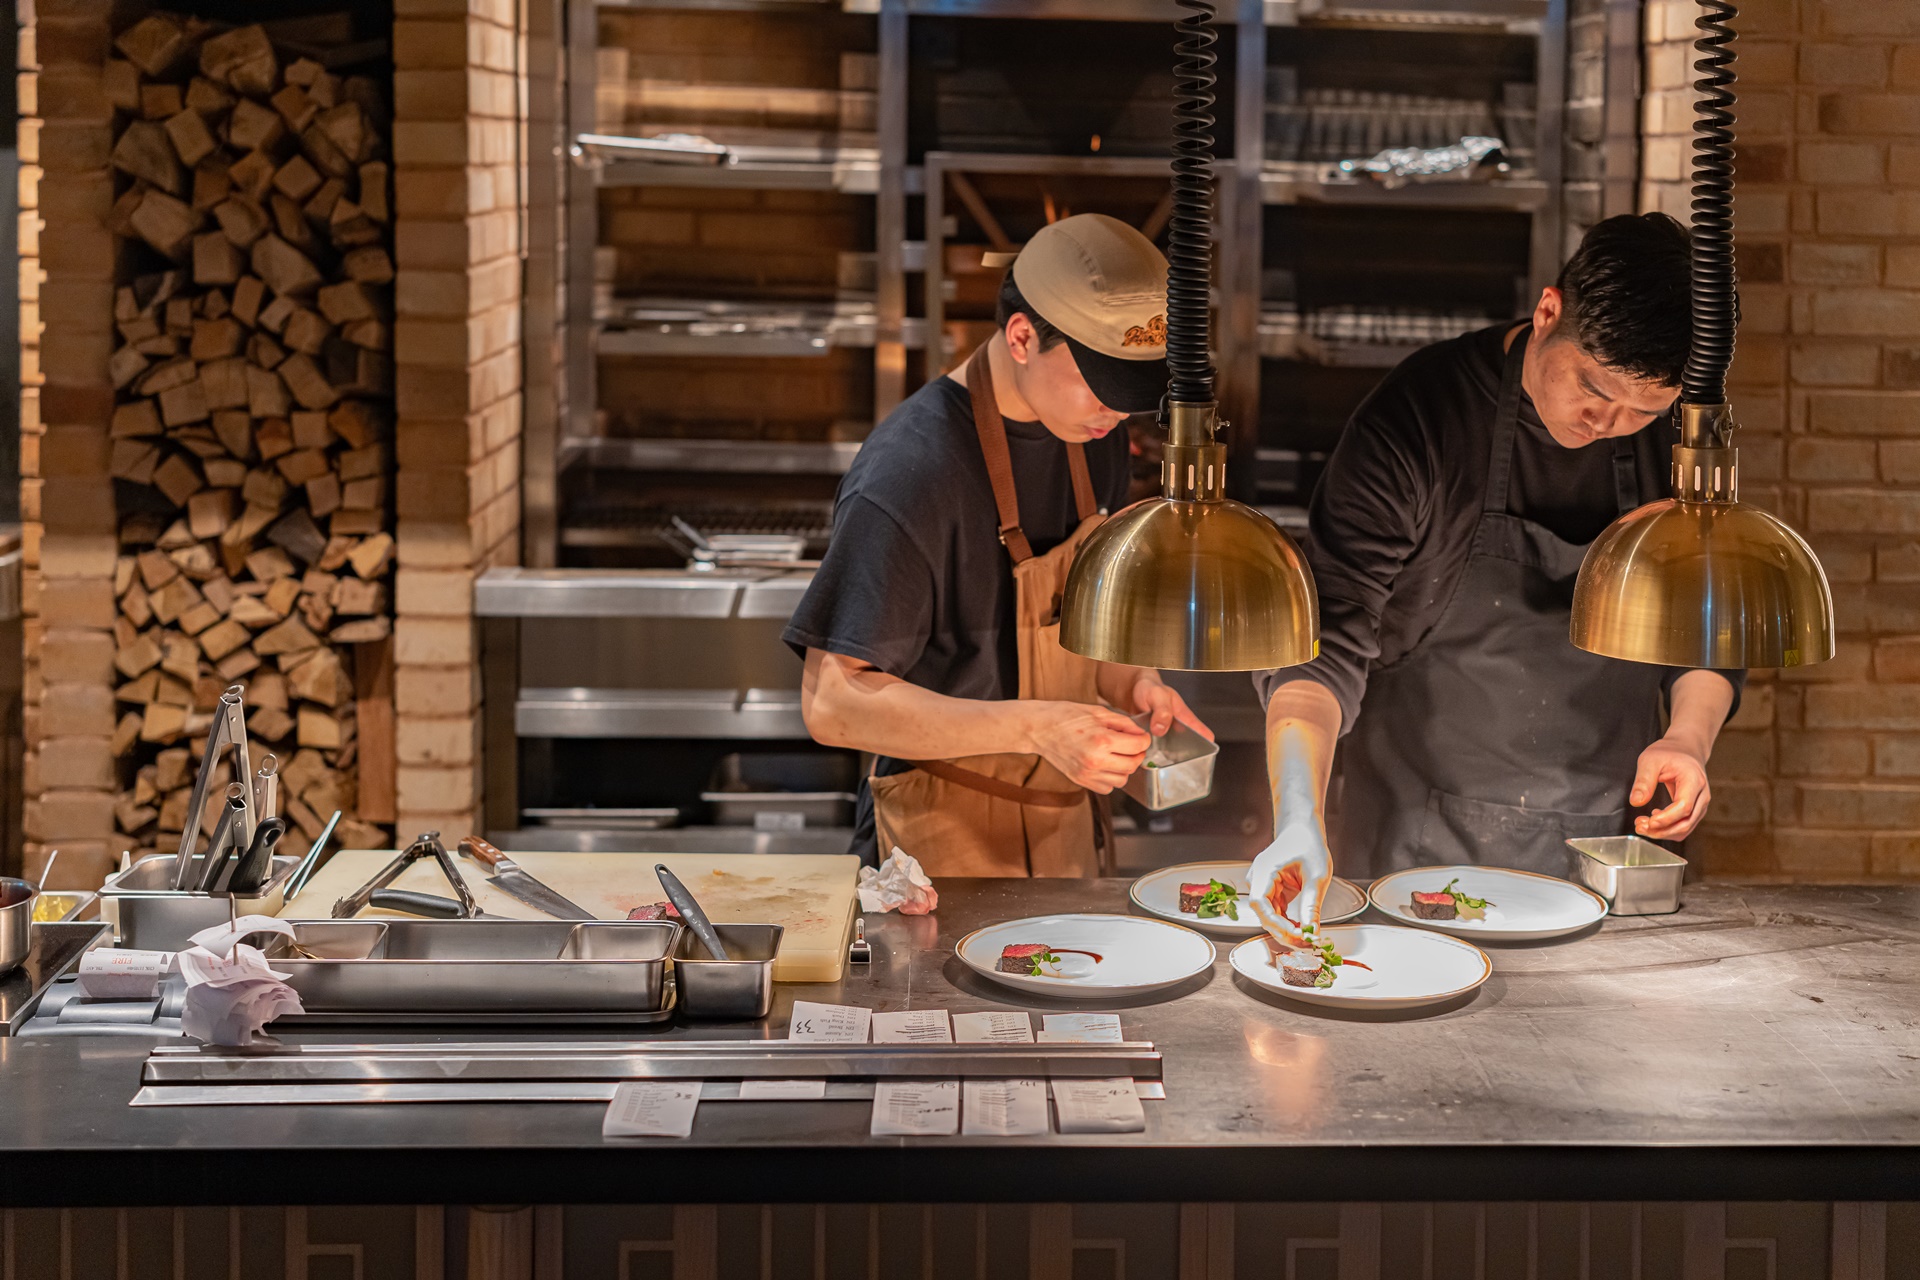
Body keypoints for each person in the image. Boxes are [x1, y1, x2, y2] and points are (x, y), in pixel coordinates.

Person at [1247, 213, 1745, 945]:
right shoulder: (1419, 421)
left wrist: (1688, 739)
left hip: (1609, 847)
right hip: (1410, 850)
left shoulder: (1686, 443)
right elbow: (1321, 650)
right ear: (1547, 313)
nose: (1607, 422)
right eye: (1593, 388)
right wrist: (1297, 818)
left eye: (1643, 411)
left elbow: (1705, 625)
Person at [785, 214, 1213, 874]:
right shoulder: (911, 474)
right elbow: (832, 705)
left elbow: (1077, 629)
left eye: (1132, 387)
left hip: (1063, 839)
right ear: (1021, 337)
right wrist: (1038, 727)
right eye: (1100, 382)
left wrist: (1136, 684)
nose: (1118, 410)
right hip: (935, 851)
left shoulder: (1093, 439)